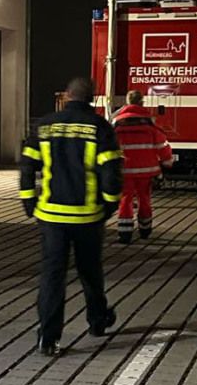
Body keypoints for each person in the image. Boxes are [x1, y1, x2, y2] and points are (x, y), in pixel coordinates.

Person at [20, 76, 123, 356]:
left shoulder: (45, 125)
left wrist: (29, 201)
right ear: (92, 98)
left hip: (51, 216)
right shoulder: (100, 127)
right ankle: (97, 321)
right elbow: (111, 173)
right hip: (88, 216)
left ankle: (48, 337)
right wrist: (110, 206)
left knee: (53, 275)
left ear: (67, 95)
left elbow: (28, 164)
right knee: (90, 271)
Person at [112, 90, 174, 244]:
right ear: (141, 103)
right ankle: (145, 230)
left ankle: (124, 233)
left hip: (124, 169)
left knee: (125, 199)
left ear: (127, 103)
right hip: (146, 170)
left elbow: (110, 145)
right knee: (144, 198)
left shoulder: (117, 122)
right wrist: (167, 161)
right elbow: (162, 145)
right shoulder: (150, 122)